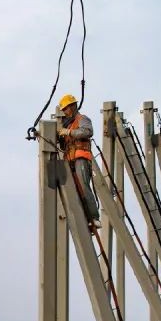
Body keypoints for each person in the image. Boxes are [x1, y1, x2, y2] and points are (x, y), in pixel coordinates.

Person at [55, 94, 100, 224]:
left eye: (66, 108)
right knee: (72, 189)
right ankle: (83, 217)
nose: (65, 112)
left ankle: (93, 217)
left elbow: (87, 131)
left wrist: (69, 133)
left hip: (81, 157)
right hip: (70, 160)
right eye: (63, 110)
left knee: (83, 186)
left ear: (73, 106)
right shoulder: (67, 124)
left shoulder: (82, 119)